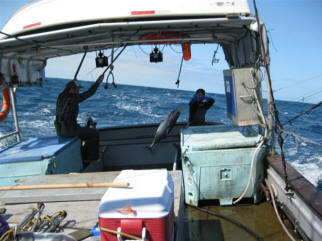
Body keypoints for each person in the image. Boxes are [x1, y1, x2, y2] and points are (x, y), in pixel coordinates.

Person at [55, 74, 104, 162]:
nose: (78, 91)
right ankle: (91, 158)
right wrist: (98, 82)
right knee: (94, 134)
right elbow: (89, 93)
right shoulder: (72, 99)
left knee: (83, 132)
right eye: (77, 89)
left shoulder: (60, 96)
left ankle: (82, 154)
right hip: (69, 131)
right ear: (72, 90)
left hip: (60, 131)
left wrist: (74, 83)